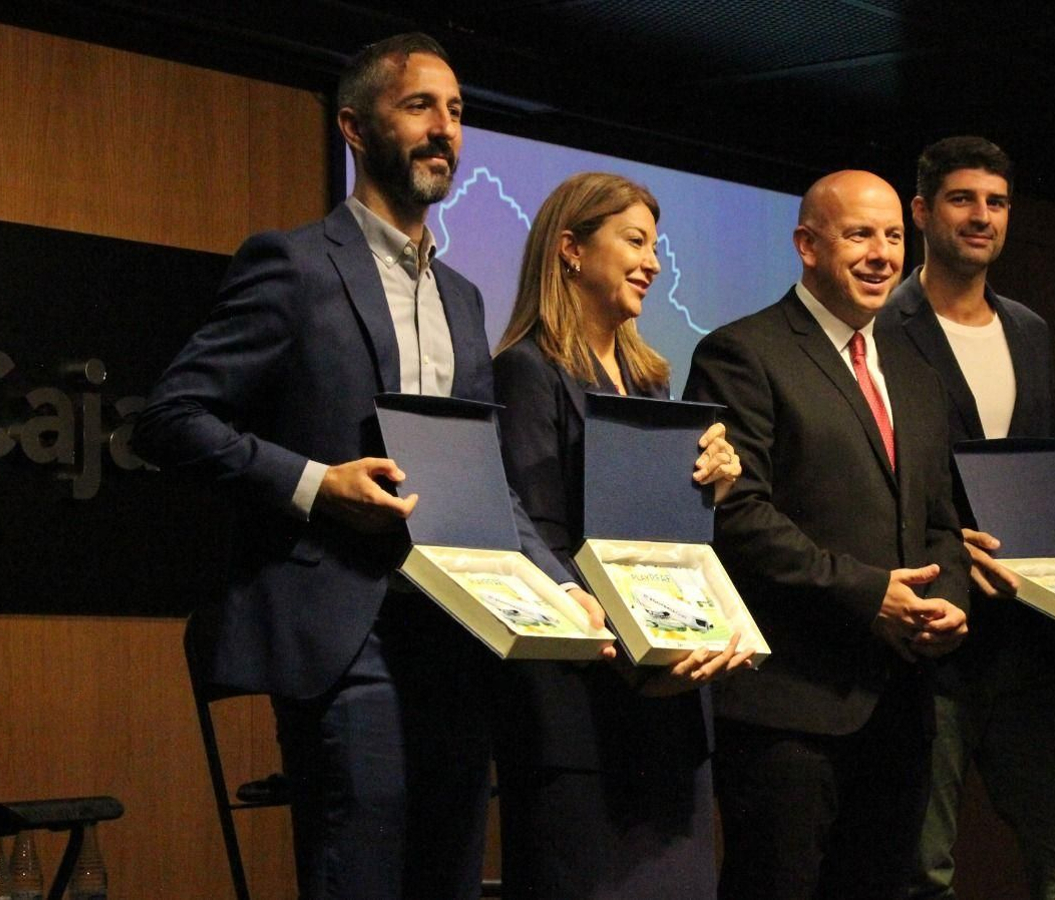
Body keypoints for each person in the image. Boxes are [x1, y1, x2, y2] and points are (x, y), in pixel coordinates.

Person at [135, 33, 606, 900]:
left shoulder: (463, 298)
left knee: (451, 875)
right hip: (347, 631)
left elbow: (483, 475)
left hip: (458, 635)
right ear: (354, 126)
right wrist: (319, 486)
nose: (446, 130)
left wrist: (556, 584)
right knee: (358, 872)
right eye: (420, 106)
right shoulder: (294, 264)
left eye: (458, 112)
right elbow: (170, 418)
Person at [876, 135, 1055, 900]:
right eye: (962, 199)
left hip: (1032, 640)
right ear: (921, 211)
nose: (982, 217)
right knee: (920, 868)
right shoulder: (878, 326)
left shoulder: (1029, 330)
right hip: (934, 631)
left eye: (996, 202)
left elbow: (1046, 462)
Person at [682, 169, 973, 900]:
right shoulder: (741, 354)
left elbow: (940, 519)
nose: (881, 254)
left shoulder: (916, 373)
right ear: (806, 245)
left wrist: (953, 599)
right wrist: (870, 593)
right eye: (859, 235)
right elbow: (735, 514)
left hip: (901, 705)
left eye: (893, 238)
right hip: (789, 707)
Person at [490, 171, 753, 899]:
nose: (653, 263)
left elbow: (661, 541)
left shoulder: (650, 384)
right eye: (634, 241)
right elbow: (537, 537)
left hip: (670, 710)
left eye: (656, 246)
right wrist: (630, 654)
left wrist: (712, 489)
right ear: (570, 249)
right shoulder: (525, 371)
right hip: (584, 709)